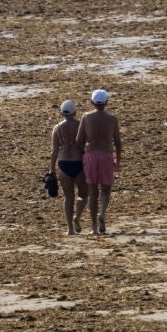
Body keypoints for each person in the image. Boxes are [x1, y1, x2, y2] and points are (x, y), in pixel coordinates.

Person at [79, 89, 122, 236]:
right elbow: (118, 143)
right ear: (107, 102)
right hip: (106, 155)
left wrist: (82, 156)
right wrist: (118, 160)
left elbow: (80, 140)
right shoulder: (112, 119)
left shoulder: (86, 117)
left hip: (91, 154)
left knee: (92, 192)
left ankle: (93, 227)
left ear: (92, 102)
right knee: (106, 189)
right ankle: (102, 213)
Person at [48, 99, 86, 235]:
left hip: (63, 164)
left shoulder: (57, 128)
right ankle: (77, 217)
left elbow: (54, 151)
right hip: (79, 163)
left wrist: (51, 169)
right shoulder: (81, 125)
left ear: (62, 113)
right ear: (75, 112)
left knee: (68, 197)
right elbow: (84, 144)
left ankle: (70, 229)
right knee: (83, 195)